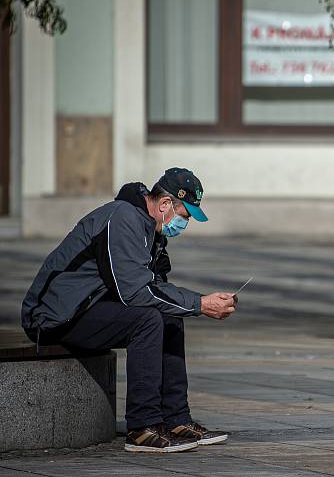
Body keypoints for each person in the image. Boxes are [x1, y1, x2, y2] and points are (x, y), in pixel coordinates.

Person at [21, 167, 237, 453]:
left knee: (170, 316)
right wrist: (200, 303)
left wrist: (196, 302)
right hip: (54, 317)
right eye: (185, 216)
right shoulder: (123, 218)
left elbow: (158, 288)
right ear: (164, 205)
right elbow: (134, 292)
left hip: (91, 306)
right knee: (146, 319)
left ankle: (175, 419)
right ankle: (142, 428)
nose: (185, 224)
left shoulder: (153, 230)